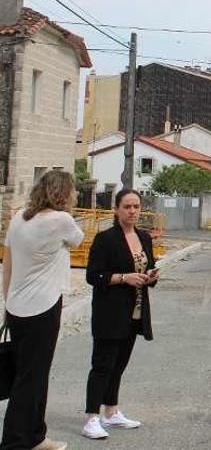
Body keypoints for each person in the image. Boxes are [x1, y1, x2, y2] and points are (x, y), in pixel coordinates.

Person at [1, 170, 83, 450]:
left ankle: (37, 435)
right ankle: (15, 441)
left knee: (31, 373)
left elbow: (7, 265)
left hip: (16, 305)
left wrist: (7, 301)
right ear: (64, 193)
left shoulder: (18, 218)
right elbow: (79, 240)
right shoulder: (61, 220)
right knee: (31, 377)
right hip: (44, 307)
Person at [82, 189, 159, 440]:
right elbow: (93, 275)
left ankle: (111, 411)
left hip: (135, 312)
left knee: (119, 365)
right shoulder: (106, 239)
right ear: (116, 209)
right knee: (103, 364)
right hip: (109, 311)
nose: (132, 211)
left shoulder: (144, 237)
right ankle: (91, 417)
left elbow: (149, 267)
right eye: (127, 206)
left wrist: (150, 277)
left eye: (136, 206)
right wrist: (123, 278)